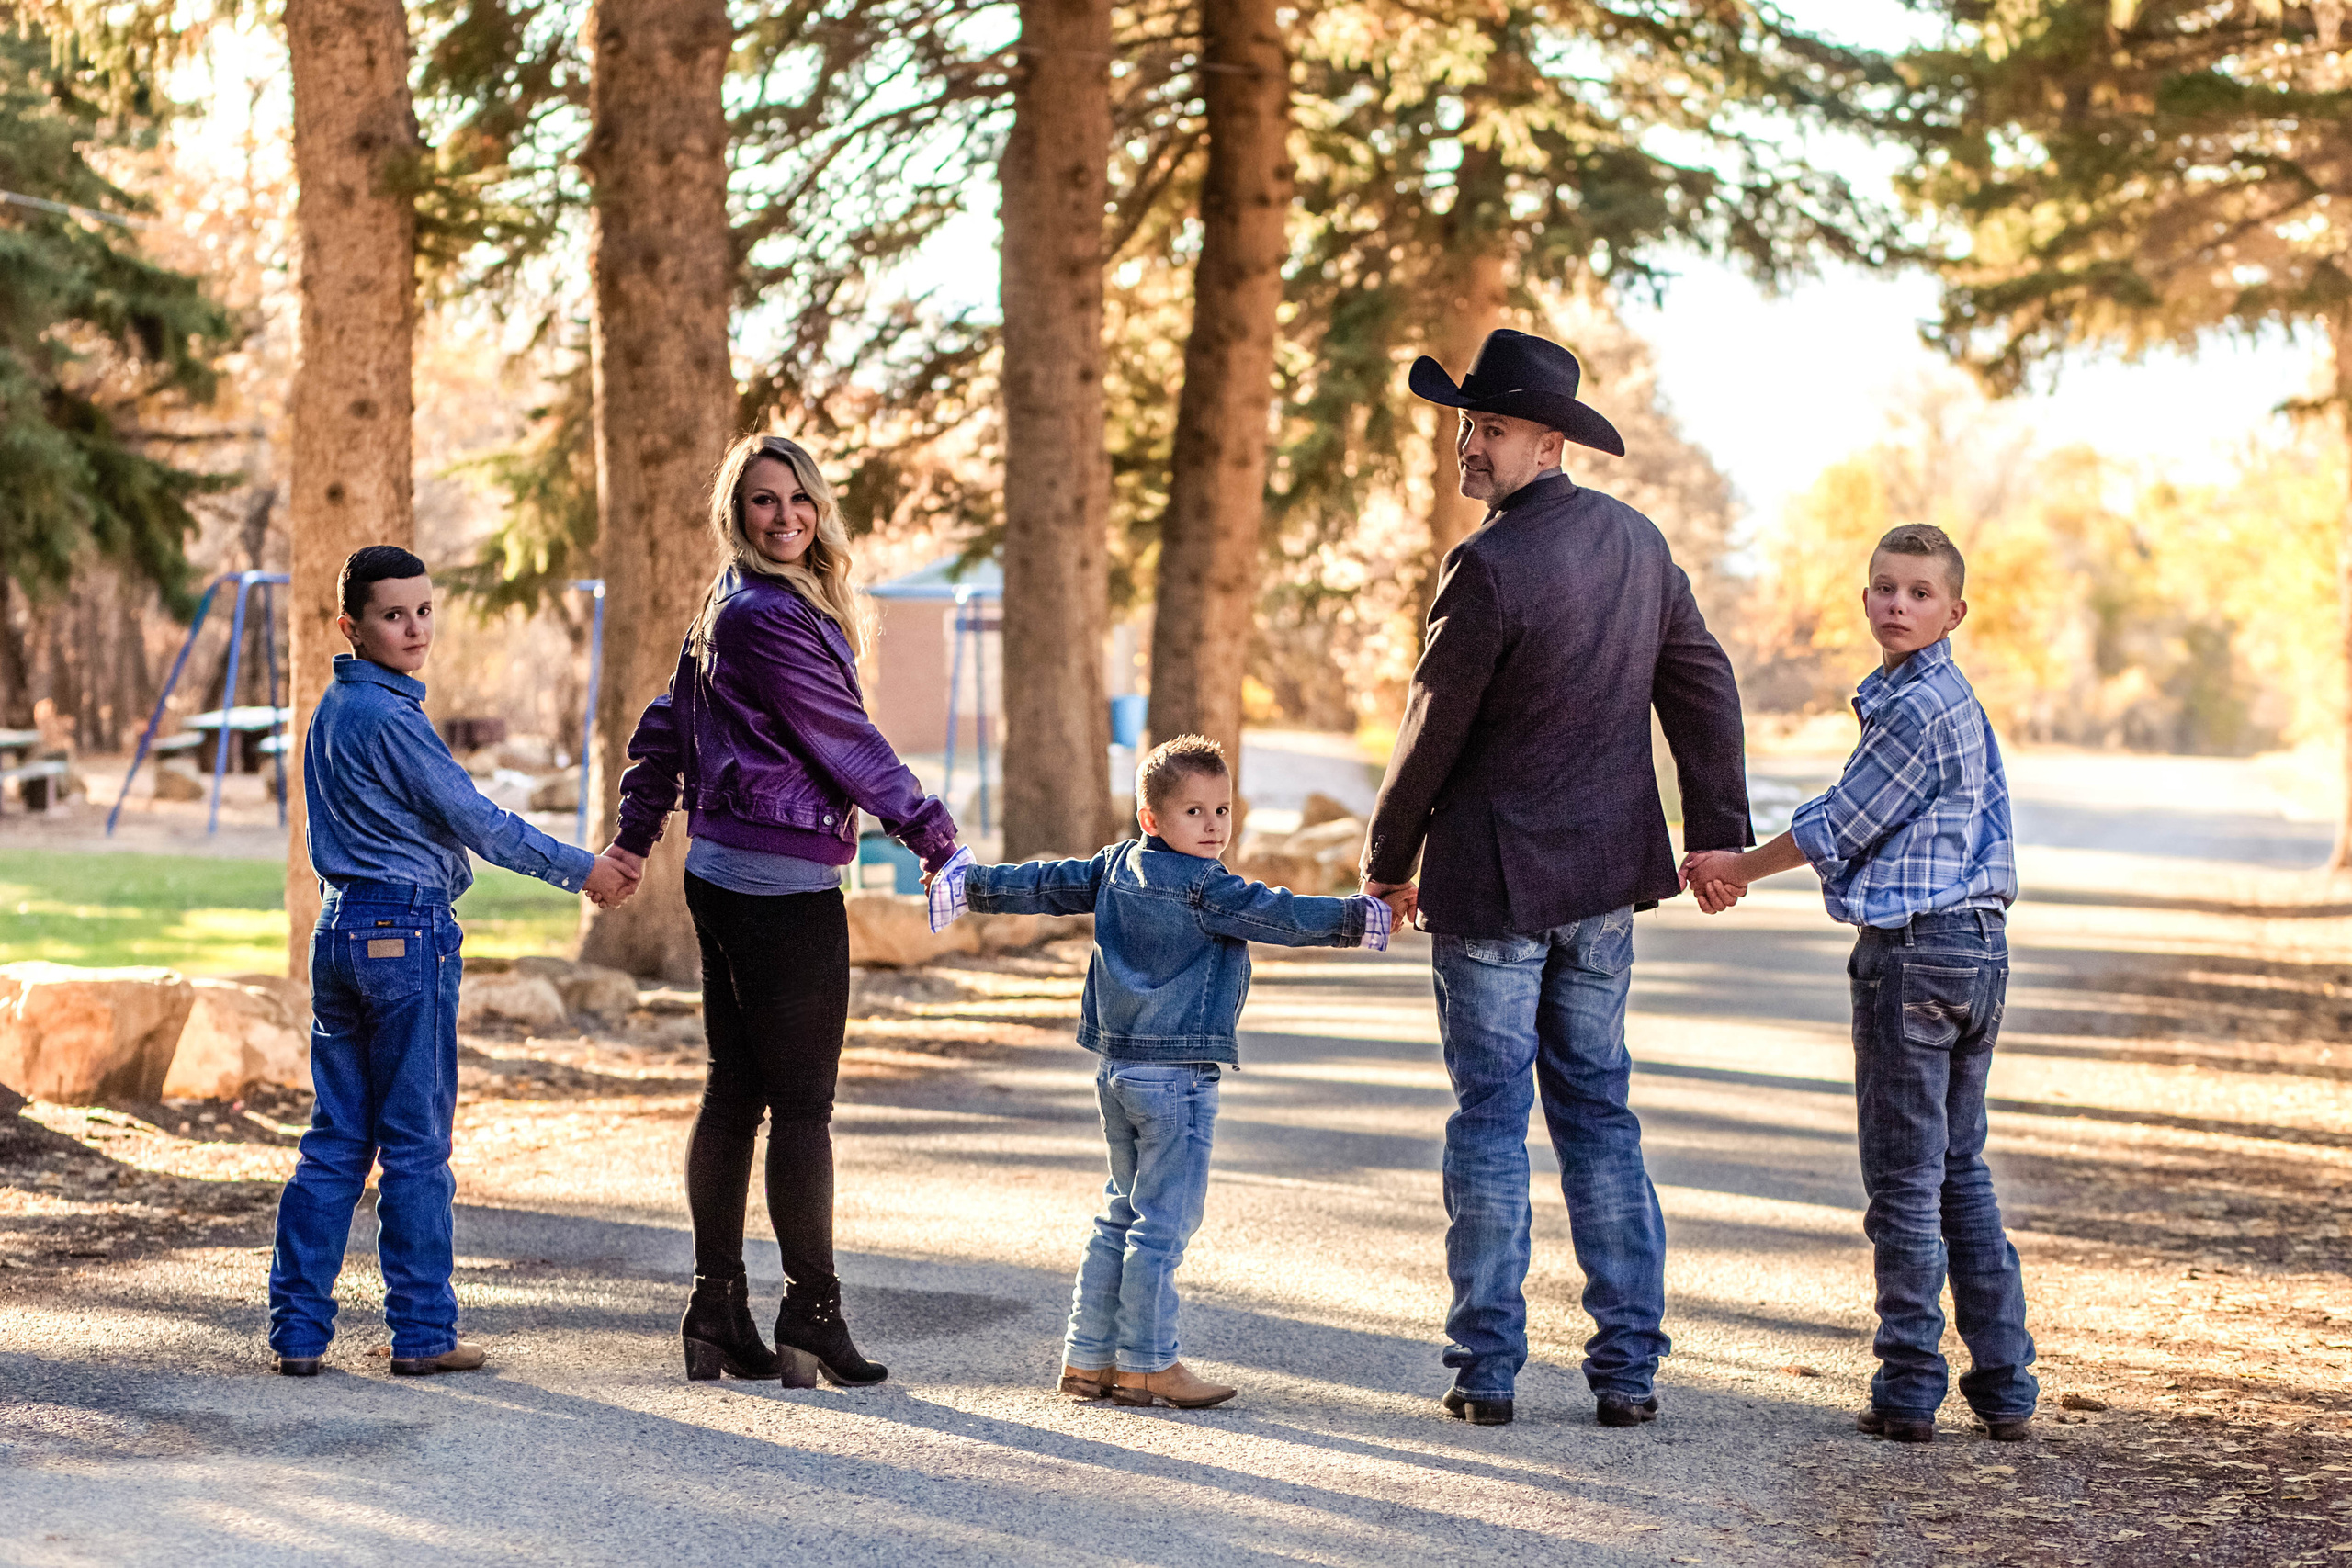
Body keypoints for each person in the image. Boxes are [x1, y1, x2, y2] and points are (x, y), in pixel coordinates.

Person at [1359, 329, 1751, 1429]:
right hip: (1601, 882)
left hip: (1493, 886)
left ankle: (1487, 1370)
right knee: (1598, 1113)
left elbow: (1432, 727)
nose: (1467, 446)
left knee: (1490, 1120)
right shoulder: (1637, 544)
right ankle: (1626, 1370)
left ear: (1547, 443)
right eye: (1464, 426)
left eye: (1489, 428)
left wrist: (1387, 861)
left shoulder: (1486, 566)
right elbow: (1703, 686)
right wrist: (1715, 828)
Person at [606, 433, 959, 1389]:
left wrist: (636, 839)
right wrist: (932, 833)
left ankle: (716, 1309)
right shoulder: (766, 614)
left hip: (724, 869)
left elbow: (664, 728)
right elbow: (846, 740)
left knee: (734, 1091)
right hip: (779, 878)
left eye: (799, 497)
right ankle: (812, 1314)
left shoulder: (730, 604)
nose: (786, 515)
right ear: (737, 513)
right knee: (801, 1107)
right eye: (764, 500)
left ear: (819, 508)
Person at [1682, 524, 2035, 1445]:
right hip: (1977, 950)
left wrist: (1734, 866)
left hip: (1917, 955)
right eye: (1884, 587)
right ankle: (2004, 1384)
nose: (1897, 605)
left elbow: (1839, 823)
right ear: (1866, 595)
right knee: (1958, 1168)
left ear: (1954, 612)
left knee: (1906, 1180)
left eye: (1920, 593)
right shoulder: (1940, 698)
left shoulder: (1919, 709)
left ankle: (1909, 1386)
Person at [930, 734, 1410, 1410]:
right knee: (1162, 1225)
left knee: (1120, 1214)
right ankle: (1149, 1363)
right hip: (1176, 1079)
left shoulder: (1114, 865)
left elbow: (1044, 883)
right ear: (1151, 818)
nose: (1213, 826)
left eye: (1222, 809)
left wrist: (968, 884)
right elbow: (1283, 914)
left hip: (1117, 1071)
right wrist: (1366, 917)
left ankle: (1087, 1358)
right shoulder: (1206, 887)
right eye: (1194, 812)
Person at [269, 546, 639, 1379]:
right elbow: (477, 819)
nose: (415, 629)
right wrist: (583, 869)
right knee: (415, 1144)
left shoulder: (333, 710)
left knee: (335, 1138)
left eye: (424, 610)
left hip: (339, 930)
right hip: (404, 933)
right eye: (393, 615)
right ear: (351, 625)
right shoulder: (390, 719)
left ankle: (297, 1332)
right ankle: (423, 1331)